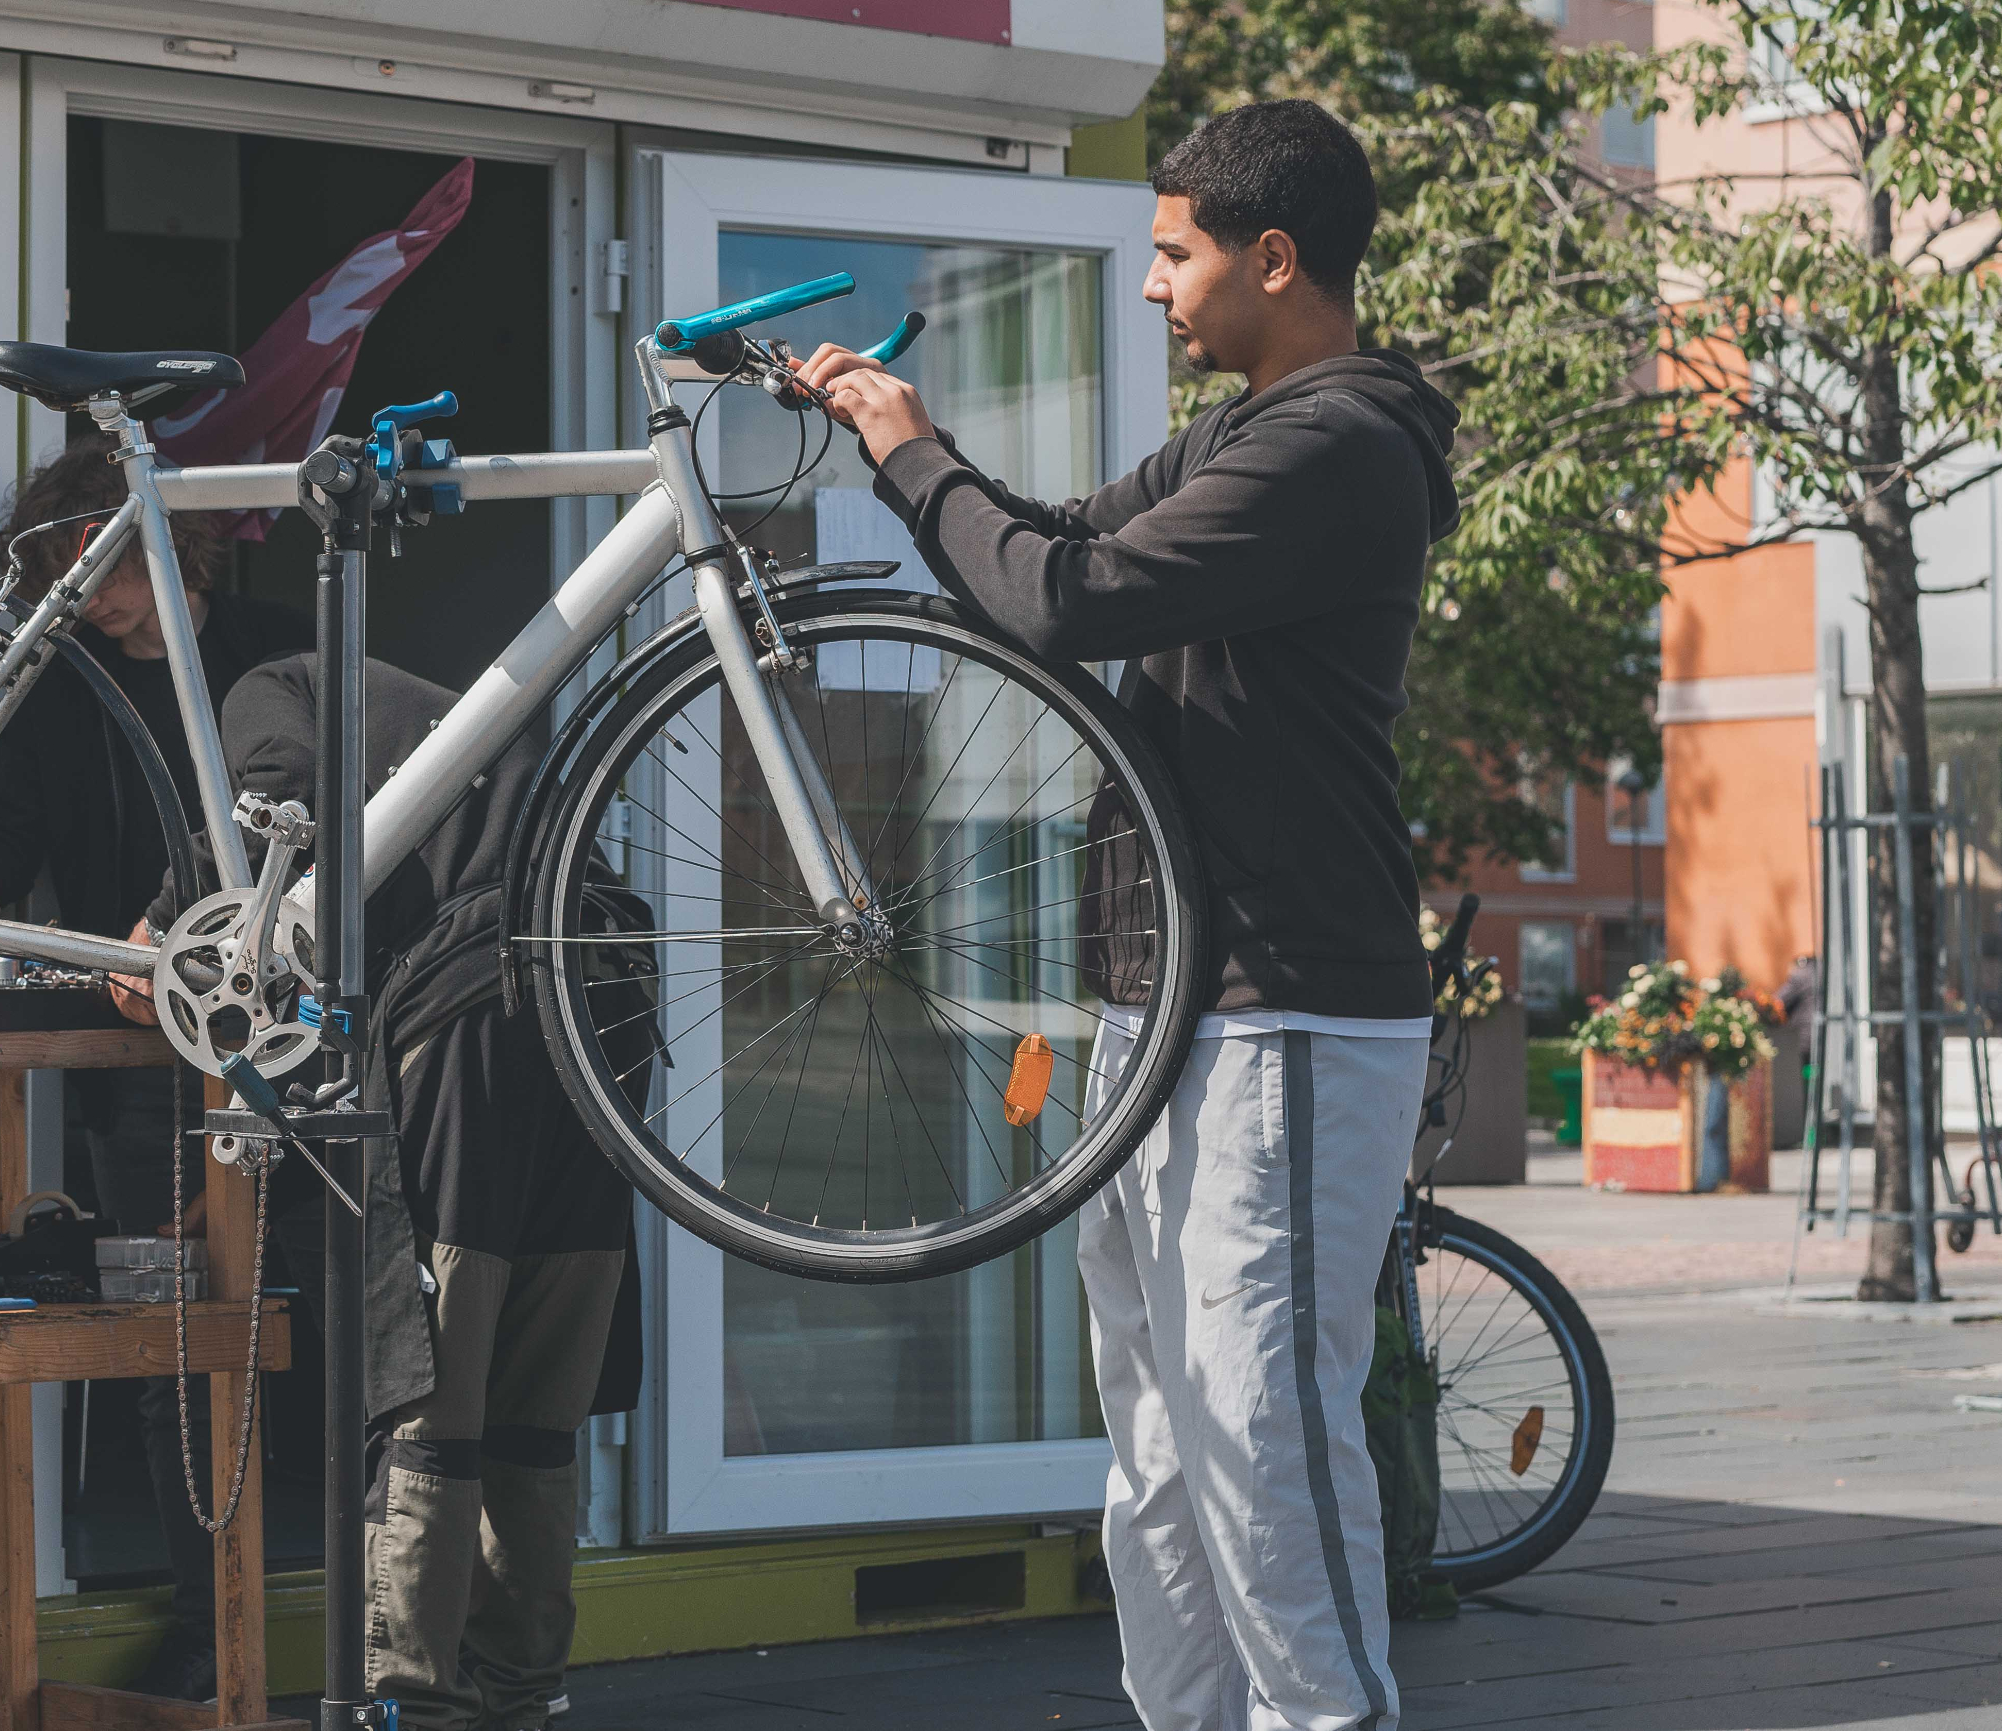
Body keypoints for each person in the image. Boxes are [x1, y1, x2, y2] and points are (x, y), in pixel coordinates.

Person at [800, 99, 1459, 1731]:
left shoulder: (1336, 445)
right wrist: (910, 456)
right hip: (1163, 1007)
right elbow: (1053, 546)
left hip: (1282, 1003)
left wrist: (908, 453)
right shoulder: (1247, 429)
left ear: (1274, 256)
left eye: (1175, 253)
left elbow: (1063, 600)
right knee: (1159, 1464)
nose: (1155, 286)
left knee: (1260, 1449)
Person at [161, 651, 643, 1731]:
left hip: (469, 1005)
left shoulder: (264, 683)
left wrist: (166, 915)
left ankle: (414, 1702)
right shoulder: (432, 699)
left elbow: (272, 806)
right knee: (538, 1396)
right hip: (601, 994)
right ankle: (521, 1690)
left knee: (430, 1388)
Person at [0, 438, 307, 1701]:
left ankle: (317, 1597)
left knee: (303, 1313)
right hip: (133, 1047)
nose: (90, 599)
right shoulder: (63, 673)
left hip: (279, 1036)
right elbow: (9, 810)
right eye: (67, 580)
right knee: (171, 1326)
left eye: (103, 570)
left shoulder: (274, 641)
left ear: (159, 540)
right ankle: (206, 1617)